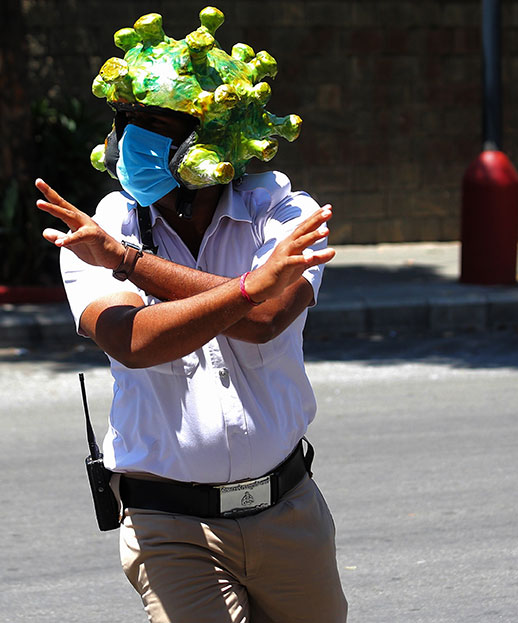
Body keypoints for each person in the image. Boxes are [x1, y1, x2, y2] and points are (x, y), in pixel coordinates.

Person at [36, 7, 348, 622]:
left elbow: (266, 320)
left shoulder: (283, 211)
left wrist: (131, 265)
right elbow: (135, 342)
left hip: (288, 512)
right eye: (125, 122)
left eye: (155, 125)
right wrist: (242, 285)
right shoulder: (103, 227)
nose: (132, 141)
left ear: (214, 137)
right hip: (170, 526)